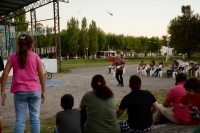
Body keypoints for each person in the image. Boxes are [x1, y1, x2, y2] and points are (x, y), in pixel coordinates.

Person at [1, 34, 46, 133]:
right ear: (31, 46)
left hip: (19, 91)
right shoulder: (35, 57)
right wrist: (44, 91)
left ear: (18, 44)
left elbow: (5, 73)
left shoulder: (12, 57)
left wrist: (3, 90)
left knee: (20, 121)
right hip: (34, 90)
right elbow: (41, 75)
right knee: (35, 120)